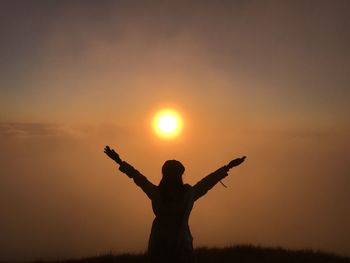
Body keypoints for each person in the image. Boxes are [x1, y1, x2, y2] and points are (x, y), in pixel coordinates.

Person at [104, 146, 246, 263]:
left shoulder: (157, 193)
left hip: (159, 248)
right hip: (182, 249)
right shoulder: (188, 194)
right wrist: (228, 167)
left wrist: (119, 161)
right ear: (180, 175)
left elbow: (137, 177)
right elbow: (206, 183)